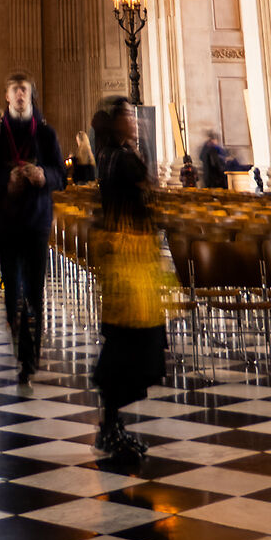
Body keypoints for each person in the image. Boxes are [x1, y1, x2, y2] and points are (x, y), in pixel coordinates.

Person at [89, 95, 170, 467]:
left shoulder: (108, 155)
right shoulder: (122, 159)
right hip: (131, 260)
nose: (134, 121)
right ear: (114, 122)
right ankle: (110, 425)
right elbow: (149, 195)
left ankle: (112, 422)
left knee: (128, 341)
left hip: (127, 258)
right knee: (133, 343)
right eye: (127, 116)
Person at [0, 71, 65, 396]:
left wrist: (45, 175)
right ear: (6, 96)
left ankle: (30, 359)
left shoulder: (45, 134)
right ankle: (19, 346)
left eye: (24, 90)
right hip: (9, 222)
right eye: (14, 90)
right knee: (12, 292)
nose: (19, 95)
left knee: (34, 292)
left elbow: (61, 174)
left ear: (31, 96)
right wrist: (6, 179)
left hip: (37, 223)